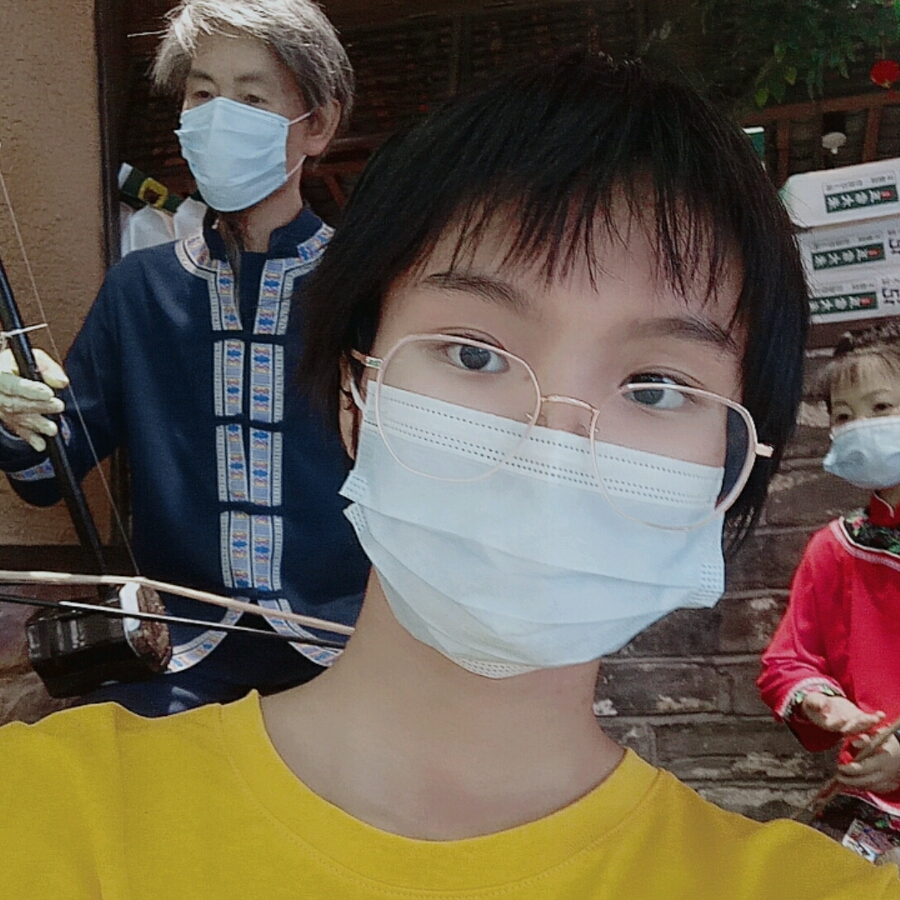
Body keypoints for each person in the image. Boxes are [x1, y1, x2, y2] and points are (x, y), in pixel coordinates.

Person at [1, 51, 897, 898]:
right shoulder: (46, 814)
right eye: (474, 352)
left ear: (734, 460)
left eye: (656, 387)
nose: (552, 443)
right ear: (355, 394)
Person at [0, 0, 370, 715]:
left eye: (252, 98)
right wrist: (17, 414)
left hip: (348, 646)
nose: (219, 116)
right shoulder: (140, 287)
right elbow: (50, 477)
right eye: (202, 93)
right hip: (178, 652)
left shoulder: (372, 286)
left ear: (317, 125)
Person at [759, 321, 900, 860]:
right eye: (844, 416)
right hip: (869, 795)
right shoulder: (835, 548)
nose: (860, 426)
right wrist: (823, 703)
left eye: (880, 407)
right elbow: (787, 660)